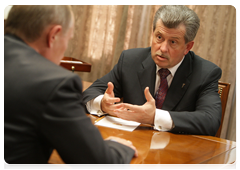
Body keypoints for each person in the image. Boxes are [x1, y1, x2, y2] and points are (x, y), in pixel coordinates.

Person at [4, 5, 137, 169]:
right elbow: (99, 162)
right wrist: (117, 147)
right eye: (67, 41)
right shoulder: (53, 83)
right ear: (53, 35)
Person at [83, 5, 222, 136]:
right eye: (159, 37)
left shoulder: (205, 73)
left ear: (188, 47)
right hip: (133, 144)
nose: (162, 48)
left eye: (173, 42)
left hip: (176, 152)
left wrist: (155, 116)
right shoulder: (130, 60)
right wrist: (103, 103)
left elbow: (210, 121)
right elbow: (89, 94)